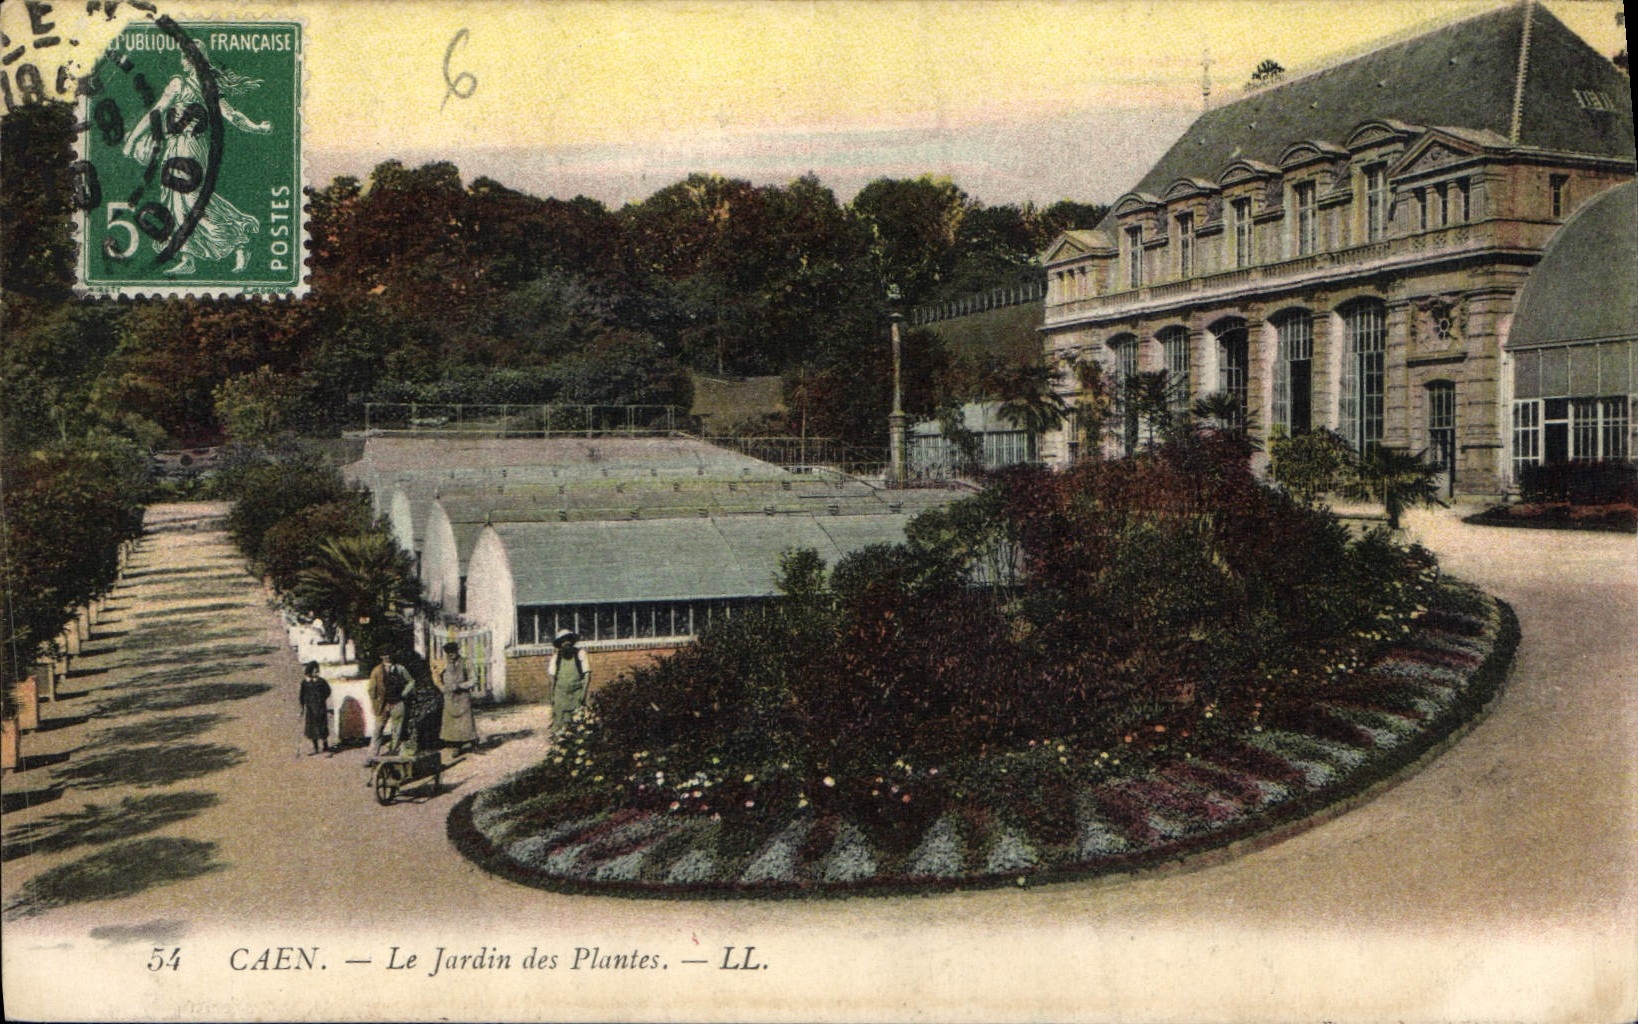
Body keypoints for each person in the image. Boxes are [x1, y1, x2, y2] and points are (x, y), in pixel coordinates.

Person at [121, 54, 271, 275]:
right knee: (174, 202)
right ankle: (188, 257)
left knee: (191, 199)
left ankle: (239, 240)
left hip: (193, 150)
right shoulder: (178, 84)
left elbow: (233, 116)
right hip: (173, 149)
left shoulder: (208, 88)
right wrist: (133, 139)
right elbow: (157, 112)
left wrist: (256, 128)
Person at [367, 651, 414, 760]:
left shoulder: (400, 668)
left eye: (389, 654)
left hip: (397, 703)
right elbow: (371, 690)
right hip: (383, 705)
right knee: (378, 730)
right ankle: (372, 757)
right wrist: (375, 704)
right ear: (381, 656)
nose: (387, 657)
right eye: (384, 655)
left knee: (396, 730)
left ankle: (392, 753)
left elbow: (411, 681)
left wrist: (404, 694)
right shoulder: (377, 671)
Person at [435, 641, 479, 754]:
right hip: (449, 697)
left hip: (463, 696)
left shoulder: (466, 662)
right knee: (452, 722)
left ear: (457, 652)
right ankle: (456, 746)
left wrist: (461, 686)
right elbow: (436, 678)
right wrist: (441, 687)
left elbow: (474, 679)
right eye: (448, 653)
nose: (451, 656)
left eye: (453, 653)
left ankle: (473, 743)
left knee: (466, 721)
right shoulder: (443, 664)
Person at [546, 630, 590, 738]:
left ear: (572, 641)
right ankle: (560, 749)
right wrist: (552, 697)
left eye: (568, 640)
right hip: (560, 694)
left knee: (578, 722)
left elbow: (587, 676)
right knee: (560, 724)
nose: (566, 643)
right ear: (560, 644)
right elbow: (552, 679)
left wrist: (583, 695)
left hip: (576, 693)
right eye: (563, 641)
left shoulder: (580, 654)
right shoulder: (556, 658)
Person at [297, 661, 331, 756]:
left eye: (318, 671)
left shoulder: (321, 682)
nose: (317, 673)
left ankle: (326, 747)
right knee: (312, 729)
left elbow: (328, 691)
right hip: (310, 709)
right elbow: (302, 696)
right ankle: (315, 748)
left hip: (320, 709)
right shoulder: (305, 683)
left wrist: (322, 699)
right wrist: (302, 708)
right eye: (315, 672)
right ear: (310, 672)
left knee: (322, 727)